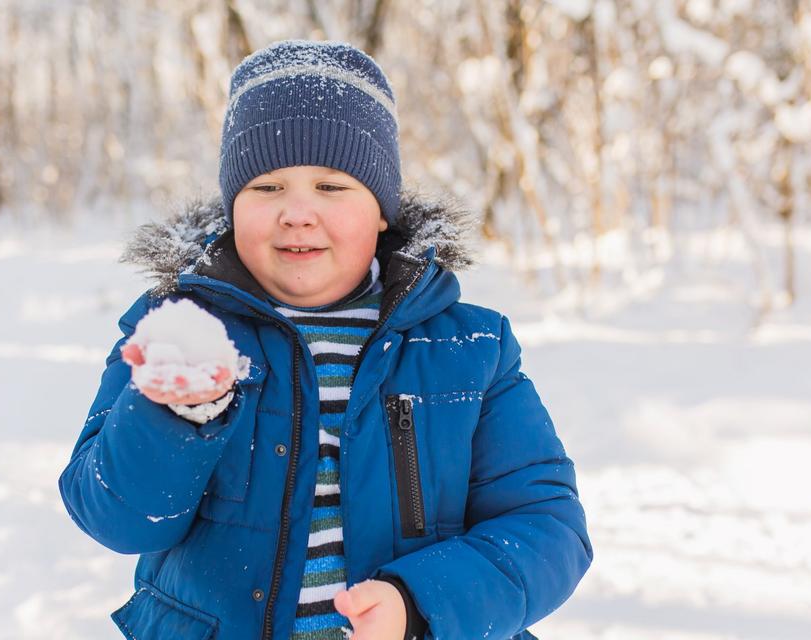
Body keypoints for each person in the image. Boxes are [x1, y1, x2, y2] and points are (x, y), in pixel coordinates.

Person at [59, 40, 591, 640]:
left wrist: (420, 604)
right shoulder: (178, 330)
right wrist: (173, 412)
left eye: (332, 187)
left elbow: (547, 527)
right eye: (266, 188)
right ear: (233, 206)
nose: (297, 212)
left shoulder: (469, 347)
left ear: (383, 210)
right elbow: (119, 519)